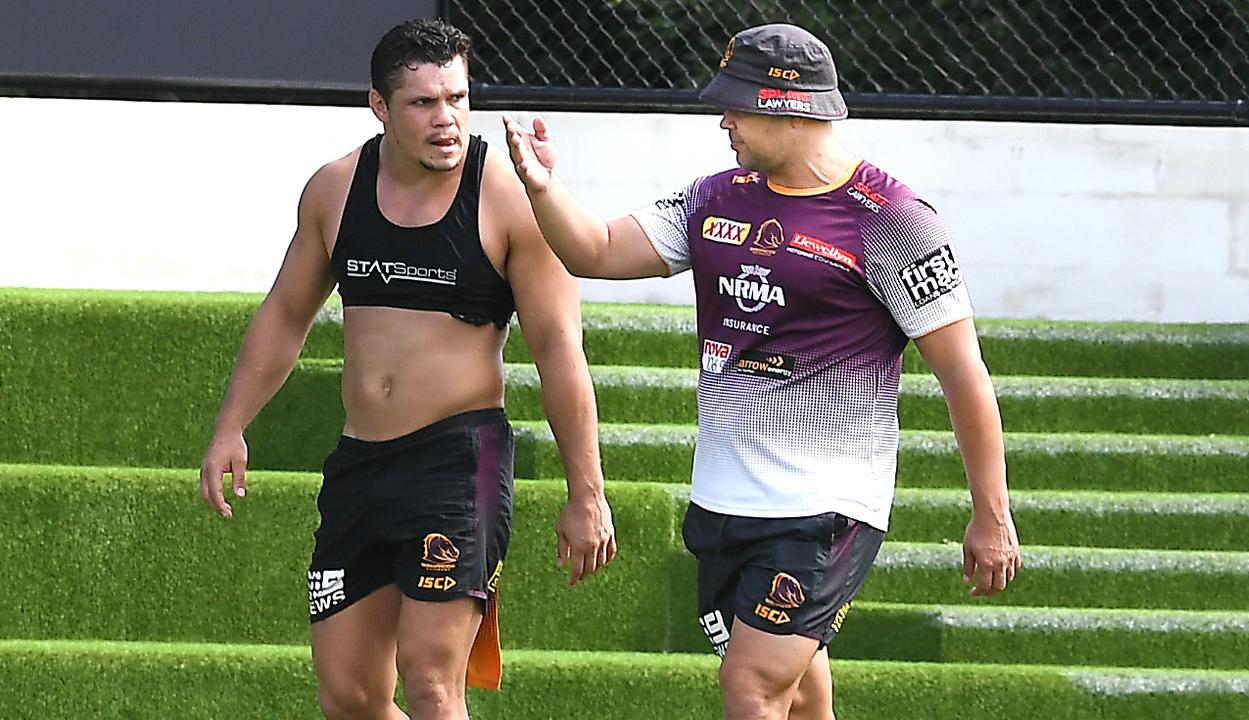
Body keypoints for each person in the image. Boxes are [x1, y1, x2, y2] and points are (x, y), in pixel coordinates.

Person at [504, 22, 1021, 720]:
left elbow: (963, 372)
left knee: (750, 685)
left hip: (825, 509)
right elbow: (594, 250)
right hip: (722, 504)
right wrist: (541, 187)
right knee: (803, 699)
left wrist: (991, 513)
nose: (723, 120)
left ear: (789, 103)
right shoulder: (715, 196)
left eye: (736, 104)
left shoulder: (893, 219)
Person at [197, 18, 617, 720]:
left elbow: (558, 353)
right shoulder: (335, 190)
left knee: (429, 681)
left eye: (457, 97)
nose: (446, 118)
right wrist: (231, 425)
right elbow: (285, 315)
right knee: (352, 696)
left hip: (462, 458)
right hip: (362, 463)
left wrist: (588, 492)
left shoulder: (511, 200)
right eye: (424, 103)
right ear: (380, 107)